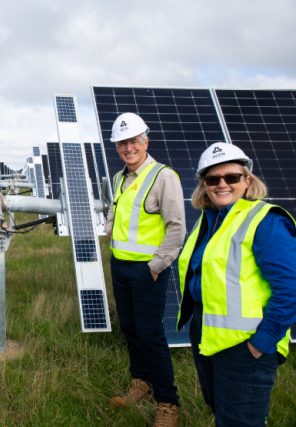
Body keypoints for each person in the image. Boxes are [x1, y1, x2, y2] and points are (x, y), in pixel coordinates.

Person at [176, 142, 296, 426]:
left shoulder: (265, 221)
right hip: (207, 332)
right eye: (212, 179)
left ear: (247, 180)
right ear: (204, 185)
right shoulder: (209, 220)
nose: (221, 184)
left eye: (231, 177)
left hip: (246, 344)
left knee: (240, 421)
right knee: (221, 410)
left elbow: (291, 288)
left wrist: (260, 344)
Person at [105, 113, 185, 426]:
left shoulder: (164, 176)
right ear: (117, 147)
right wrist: (110, 227)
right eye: (122, 143)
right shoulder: (119, 177)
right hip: (119, 265)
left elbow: (176, 227)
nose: (128, 147)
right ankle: (142, 383)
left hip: (147, 270)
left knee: (151, 335)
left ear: (145, 141)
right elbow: (115, 208)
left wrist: (155, 267)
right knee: (130, 327)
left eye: (133, 141)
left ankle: (168, 403)